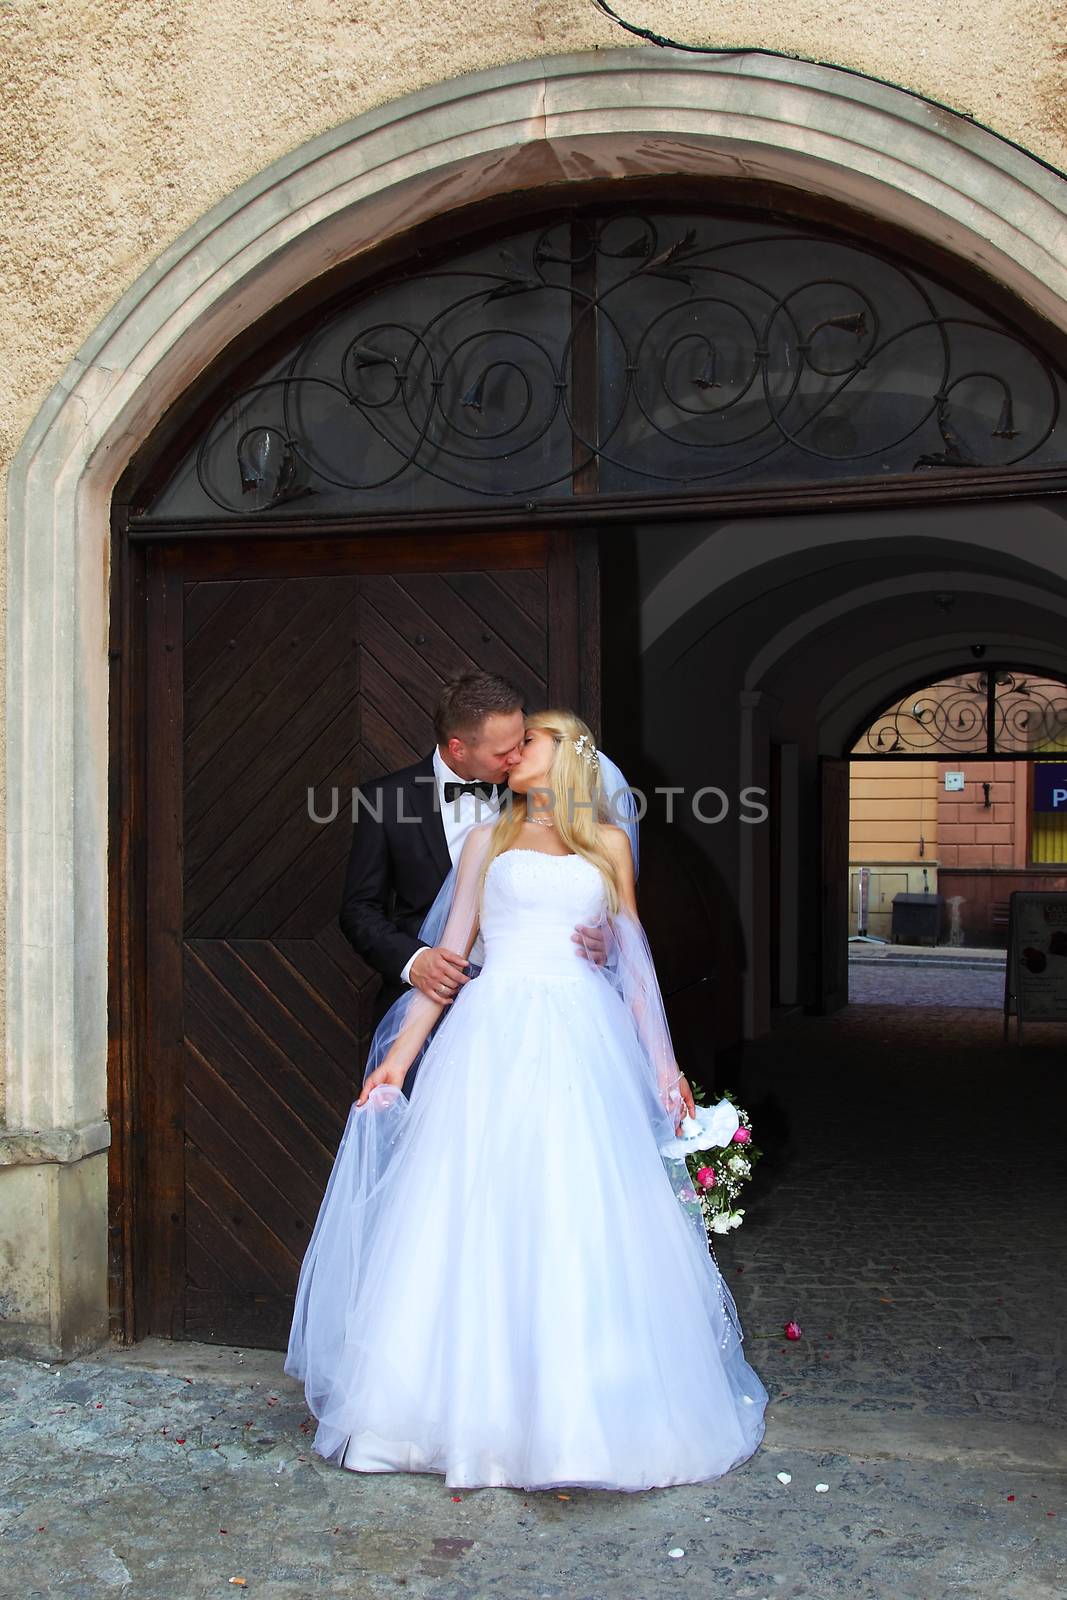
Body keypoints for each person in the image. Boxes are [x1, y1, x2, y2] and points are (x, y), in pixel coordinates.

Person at [286, 709, 769, 1491]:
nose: (512, 755)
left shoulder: (608, 846)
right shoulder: (488, 840)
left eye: (529, 742)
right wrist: (399, 1059)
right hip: (490, 1038)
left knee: (572, 1212)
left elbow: (633, 963)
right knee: (470, 1212)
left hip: (581, 1039)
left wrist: (664, 1071)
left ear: (567, 756)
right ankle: (444, 1416)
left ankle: (575, 1423)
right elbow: (451, 958)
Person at [338, 671, 605, 1096]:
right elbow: (358, 910)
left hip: (540, 1016)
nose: (517, 756)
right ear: (459, 747)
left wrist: (600, 937)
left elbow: (586, 882)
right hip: (425, 1006)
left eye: (523, 742)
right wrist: (416, 961)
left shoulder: (536, 790)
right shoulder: (385, 800)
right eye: (505, 750)